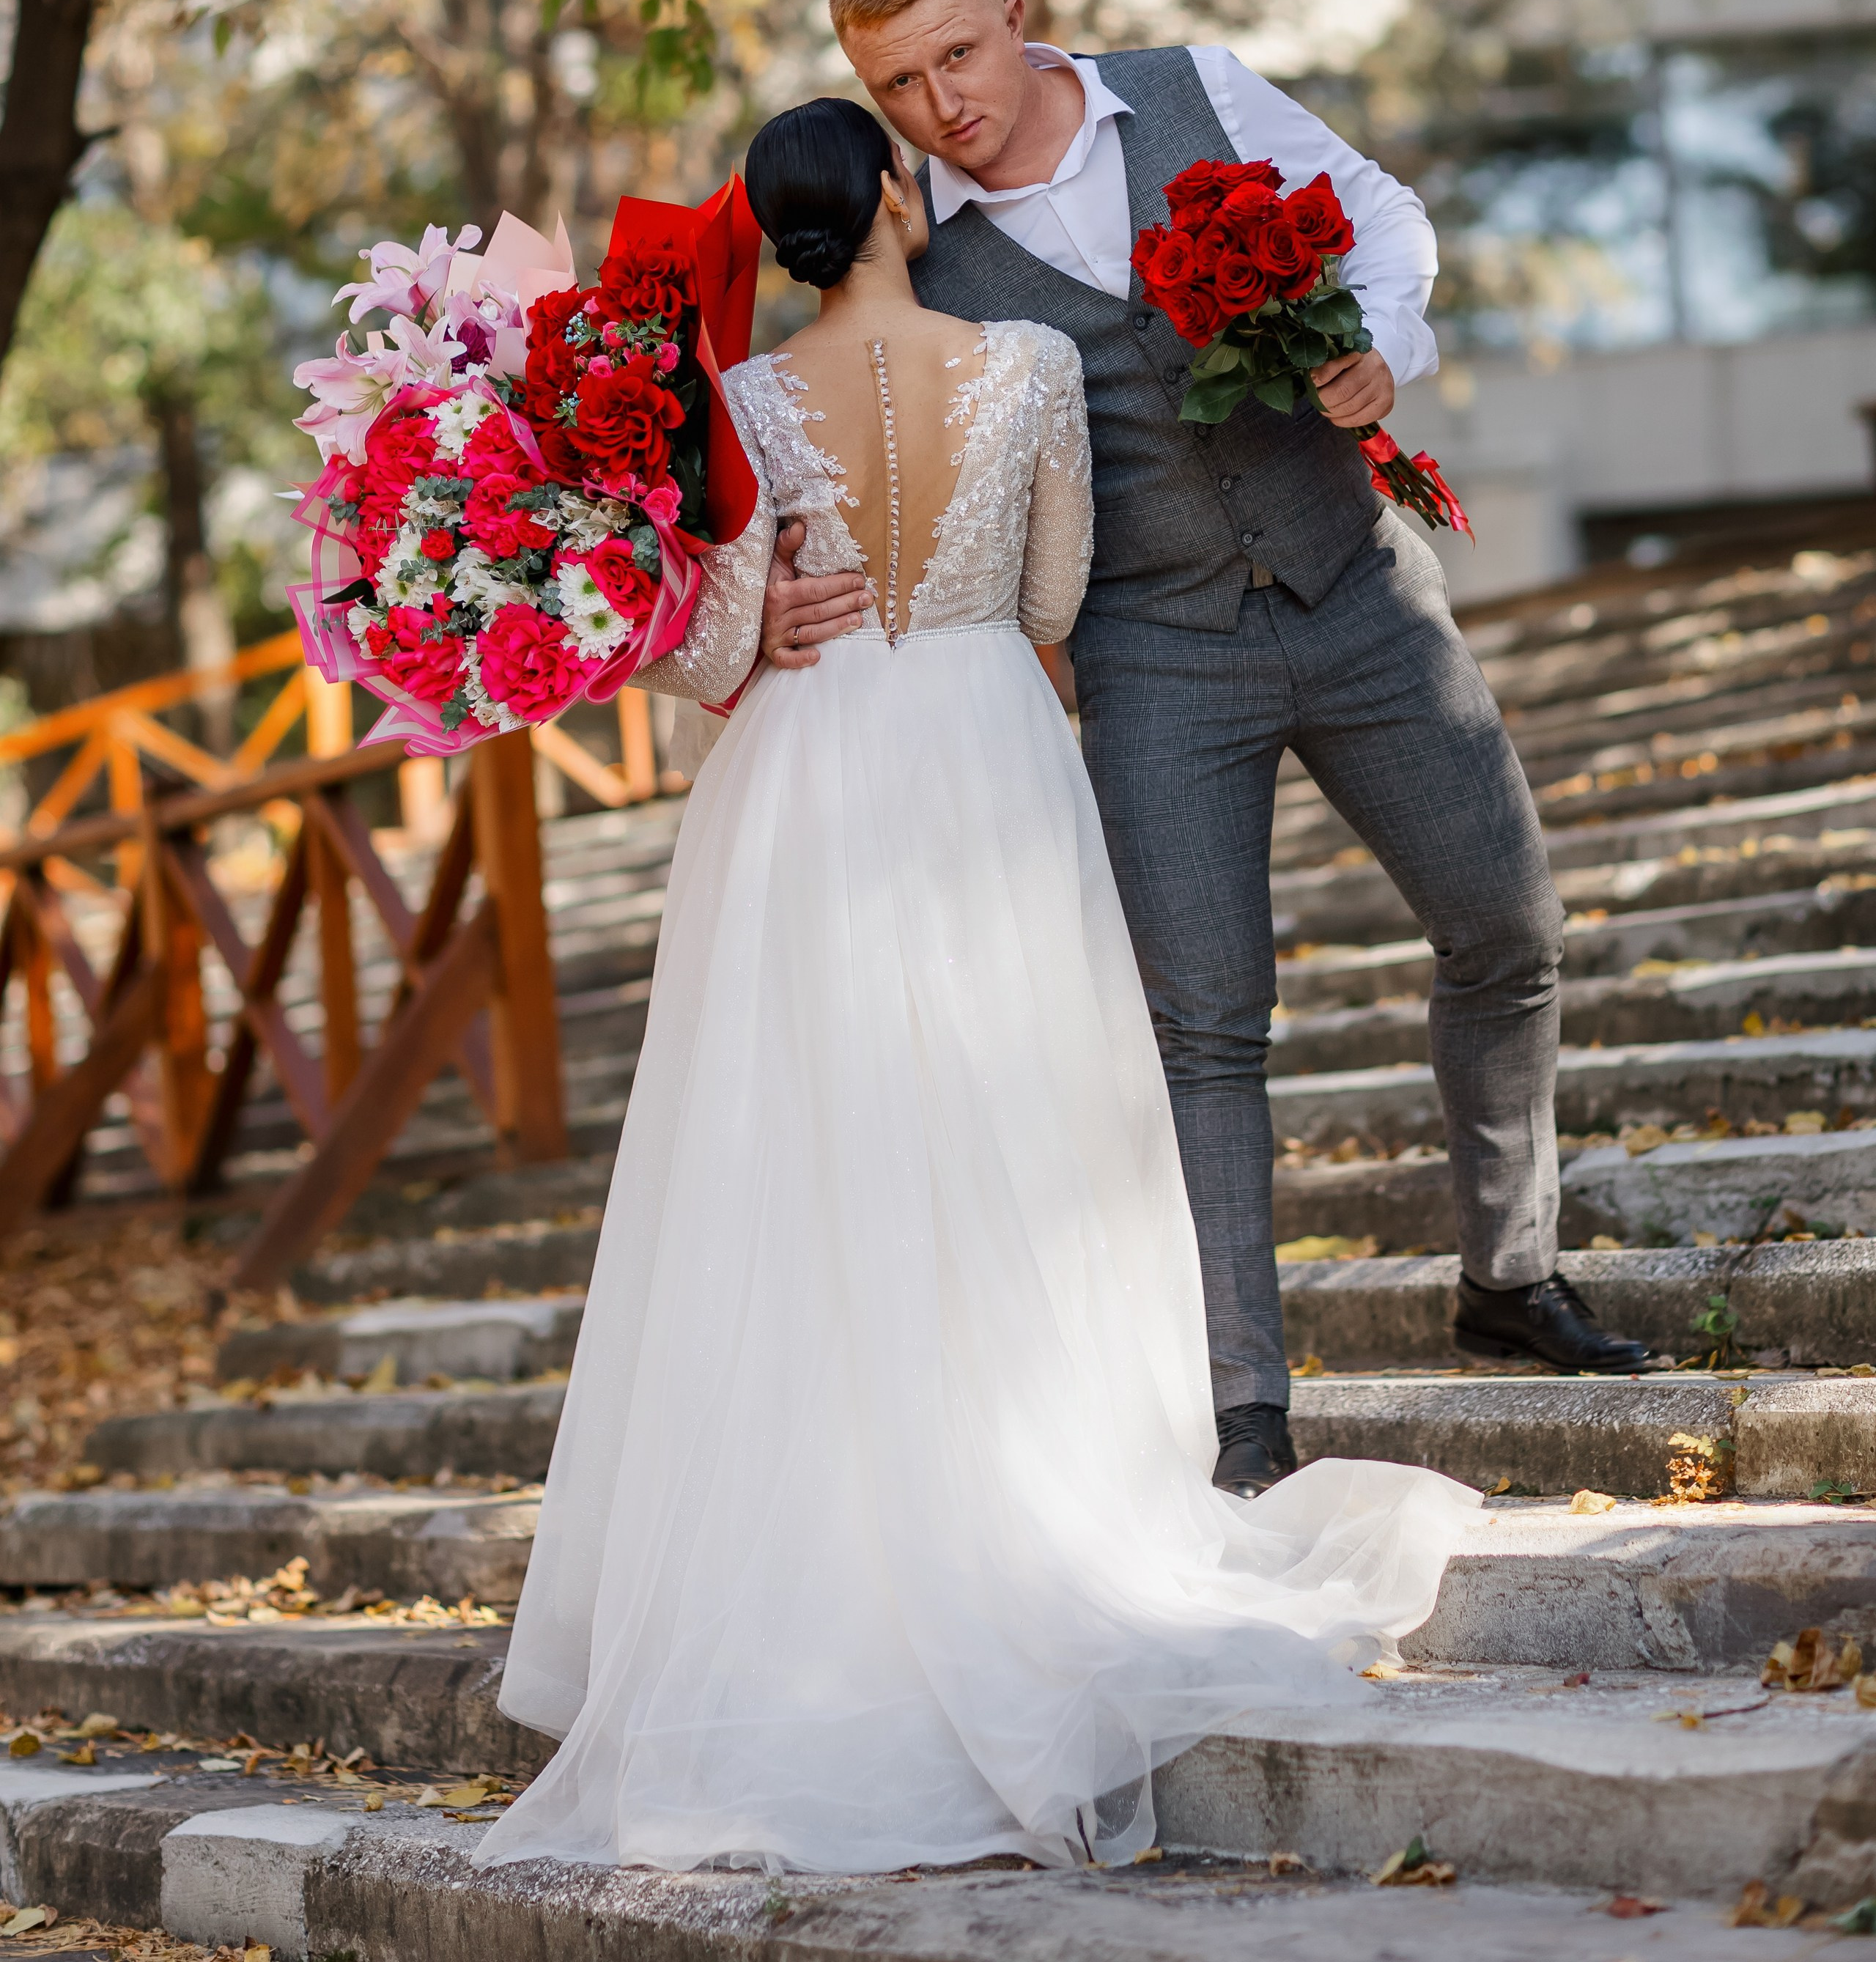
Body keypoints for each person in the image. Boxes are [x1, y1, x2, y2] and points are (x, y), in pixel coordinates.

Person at [475, 98, 1477, 1879]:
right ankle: (1029, 1496)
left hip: (805, 766)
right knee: (1019, 1125)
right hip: (984, 736)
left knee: (805, 1156)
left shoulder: (740, 400)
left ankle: (821, 1559)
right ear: (886, 194)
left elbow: (698, 640)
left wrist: (767, 626)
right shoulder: (1025, 363)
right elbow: (1054, 591)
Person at [759, 0, 1652, 1500]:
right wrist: (761, 596)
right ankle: (1246, 1408)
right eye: (896, 84)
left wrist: (1382, 343)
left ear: (1017, 16)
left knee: (1507, 925)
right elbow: (811, 433)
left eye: (958, 54)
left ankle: (1509, 1277)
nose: (941, 103)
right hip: (1154, 653)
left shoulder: (1199, 92)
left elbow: (1383, 214)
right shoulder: (910, 245)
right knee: (1206, 1030)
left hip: (1357, 591)